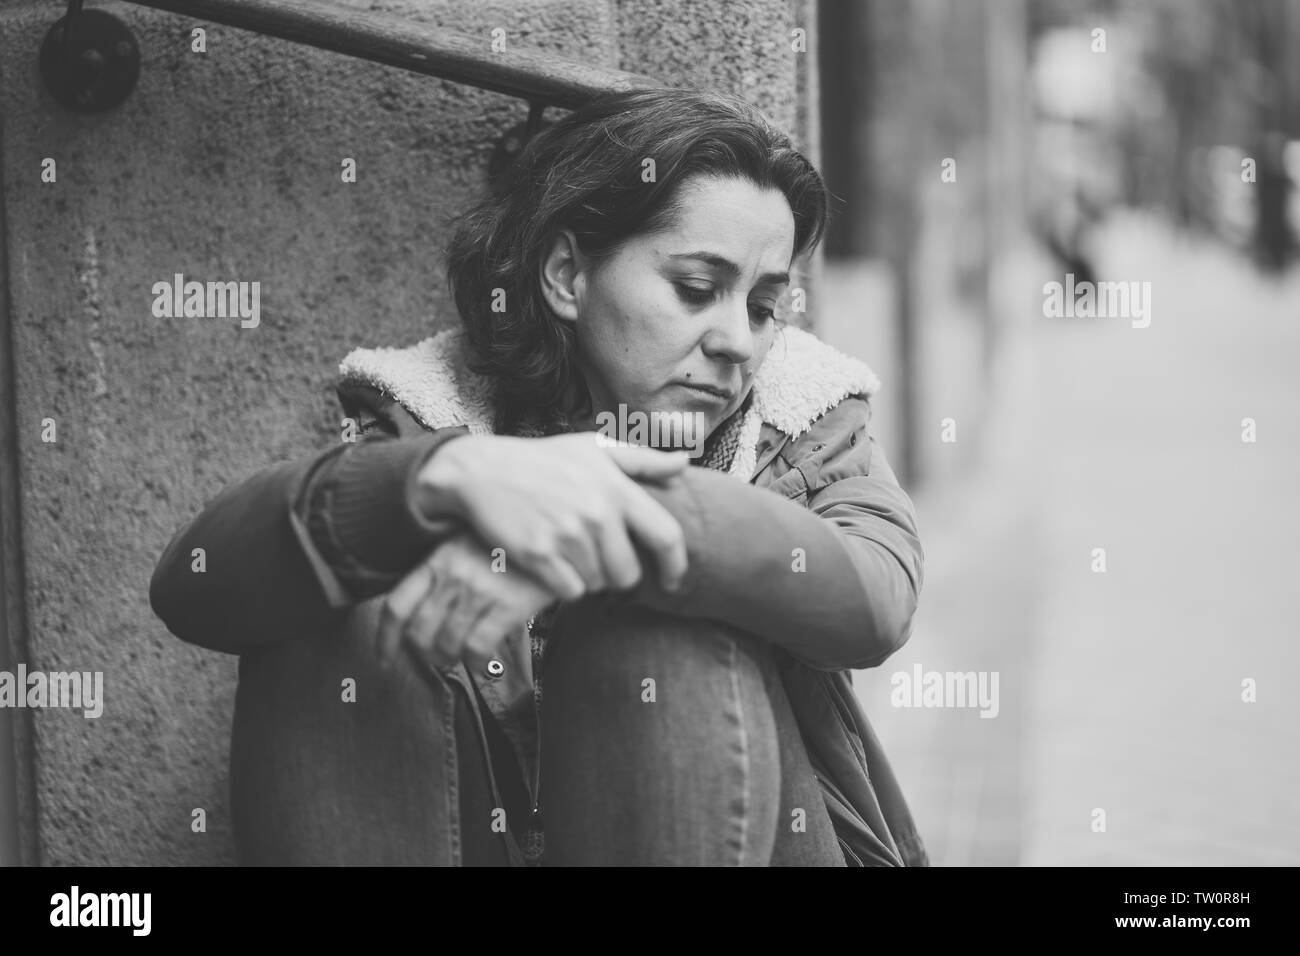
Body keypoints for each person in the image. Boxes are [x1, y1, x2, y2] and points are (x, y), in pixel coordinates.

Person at [149, 87, 927, 867]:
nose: (735, 342)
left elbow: (877, 597)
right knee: (354, 597)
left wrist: (625, 511)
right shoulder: (429, 413)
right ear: (565, 275)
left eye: (763, 308)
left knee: (657, 602)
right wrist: (441, 479)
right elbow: (192, 586)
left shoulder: (805, 417)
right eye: (695, 289)